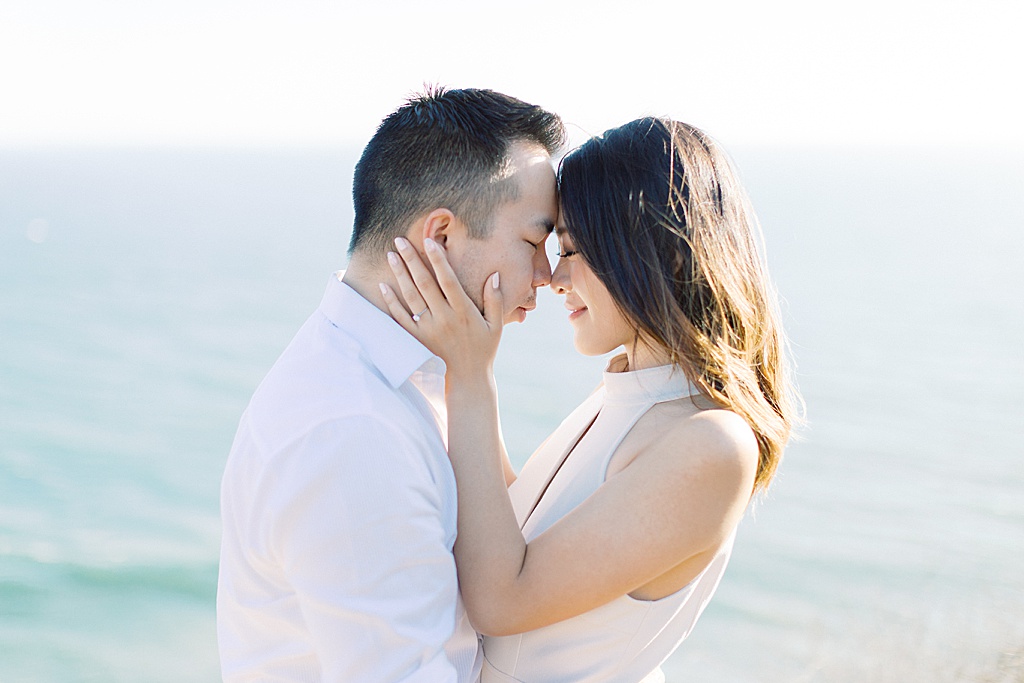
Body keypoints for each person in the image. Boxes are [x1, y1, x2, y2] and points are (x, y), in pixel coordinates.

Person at [381, 117, 800, 682]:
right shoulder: (627, 393)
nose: (553, 276)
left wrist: (472, 378)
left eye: (575, 249)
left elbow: (503, 600)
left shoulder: (711, 442)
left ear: (665, 254)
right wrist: (455, 376)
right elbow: (512, 526)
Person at [216, 87, 565, 682]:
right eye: (534, 242)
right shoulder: (351, 427)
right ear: (441, 236)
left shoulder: (409, 376)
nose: (548, 275)